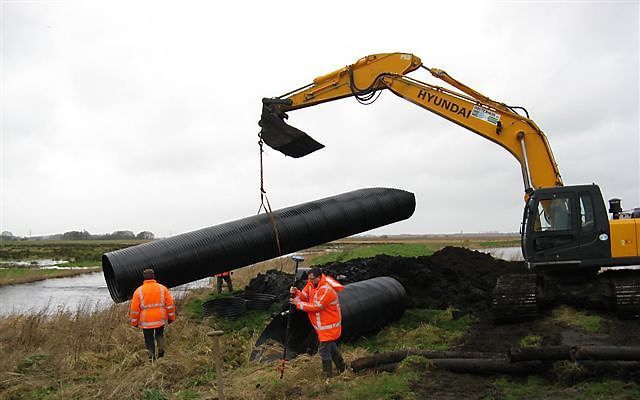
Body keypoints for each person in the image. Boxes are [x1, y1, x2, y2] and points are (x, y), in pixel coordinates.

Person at [290, 267, 346, 378]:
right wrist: (296, 292)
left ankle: (327, 376)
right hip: (322, 324)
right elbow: (305, 296)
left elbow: (317, 306)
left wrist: (298, 304)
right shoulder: (311, 284)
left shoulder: (326, 289)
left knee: (323, 350)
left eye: (312, 278)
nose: (310, 280)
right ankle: (342, 368)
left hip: (329, 325)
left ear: (319, 277)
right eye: (309, 278)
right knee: (331, 346)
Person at [129, 268, 176, 361]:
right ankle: (161, 349)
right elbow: (170, 305)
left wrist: (134, 323)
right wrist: (171, 318)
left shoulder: (138, 291)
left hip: (146, 321)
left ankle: (152, 357)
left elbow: (134, 309)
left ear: (144, 278)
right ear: (154, 276)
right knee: (159, 335)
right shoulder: (162, 288)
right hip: (160, 319)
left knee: (149, 339)